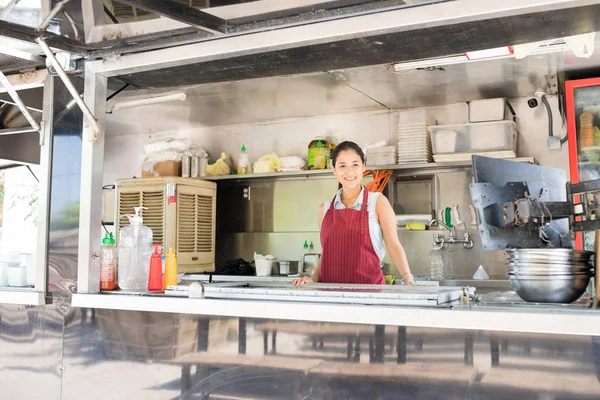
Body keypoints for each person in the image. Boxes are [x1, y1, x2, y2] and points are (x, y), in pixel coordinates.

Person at [293, 141, 416, 286]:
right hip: (329, 295)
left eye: (355, 165)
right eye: (342, 165)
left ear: (363, 167)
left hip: (369, 295)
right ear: (334, 170)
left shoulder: (377, 202)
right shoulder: (324, 209)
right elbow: (326, 252)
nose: (349, 171)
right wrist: (313, 278)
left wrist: (408, 278)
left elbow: (393, 245)